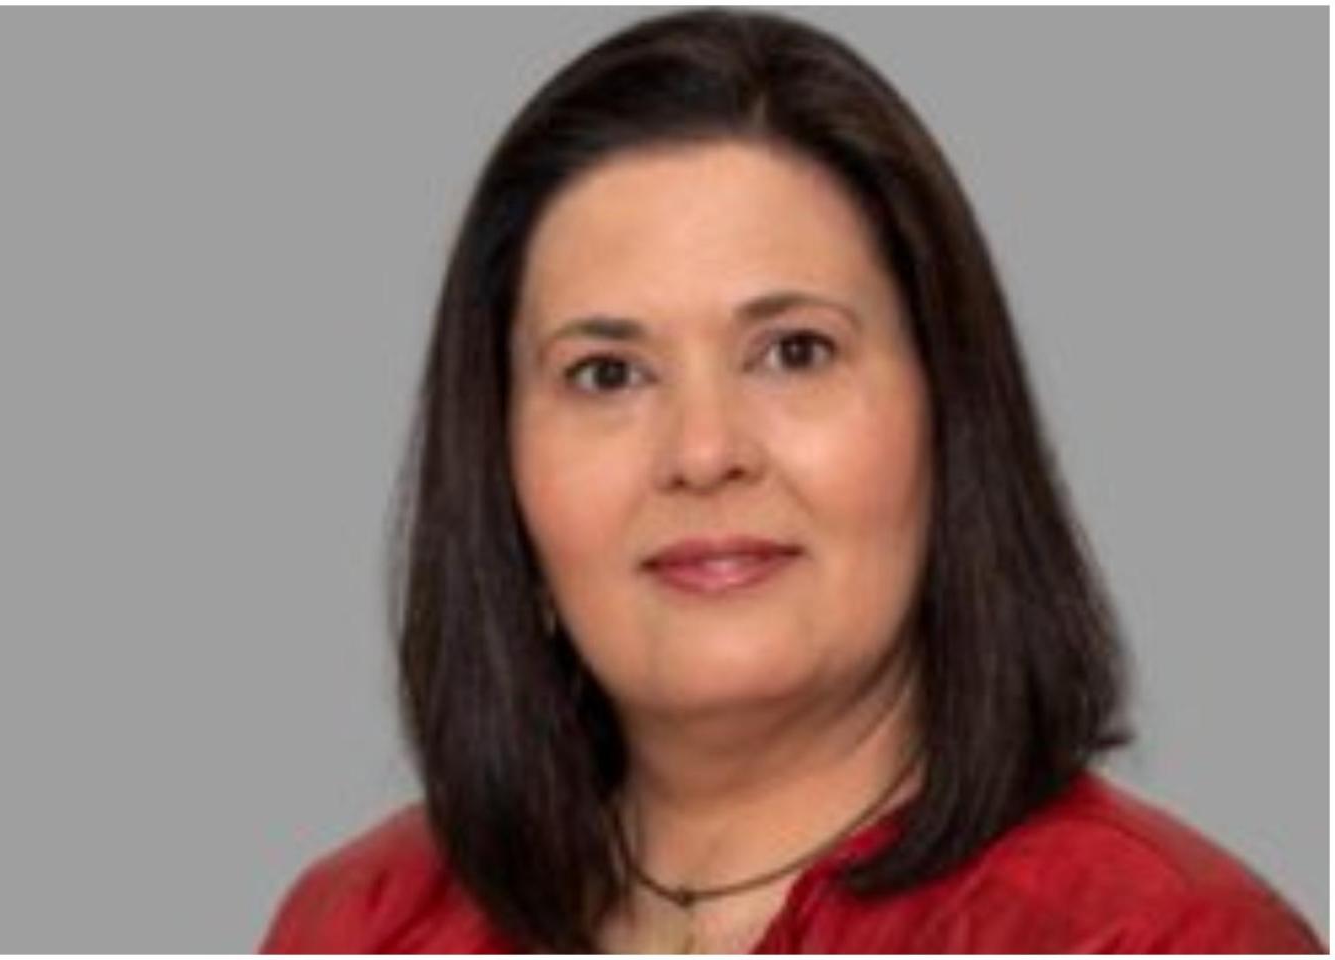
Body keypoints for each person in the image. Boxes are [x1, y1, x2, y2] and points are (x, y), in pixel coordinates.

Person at [259, 8, 1323, 954]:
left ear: (950, 414)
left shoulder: (1157, 940)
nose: (703, 451)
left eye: (793, 352)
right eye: (607, 373)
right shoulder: (360, 927)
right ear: (497, 466)